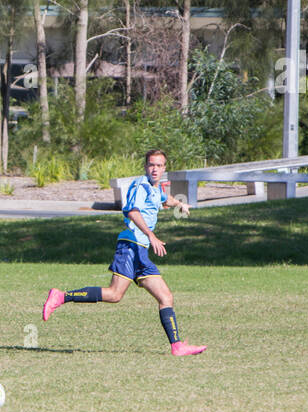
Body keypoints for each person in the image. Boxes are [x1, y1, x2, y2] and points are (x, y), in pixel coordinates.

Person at [42, 149, 205, 356]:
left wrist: (179, 204)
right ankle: (61, 296)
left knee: (166, 297)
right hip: (129, 246)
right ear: (146, 166)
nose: (155, 169)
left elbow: (165, 199)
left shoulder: (155, 189)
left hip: (141, 251)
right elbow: (132, 211)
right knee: (114, 294)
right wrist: (151, 235)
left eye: (159, 165)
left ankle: (177, 346)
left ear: (164, 168)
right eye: (151, 165)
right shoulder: (141, 185)